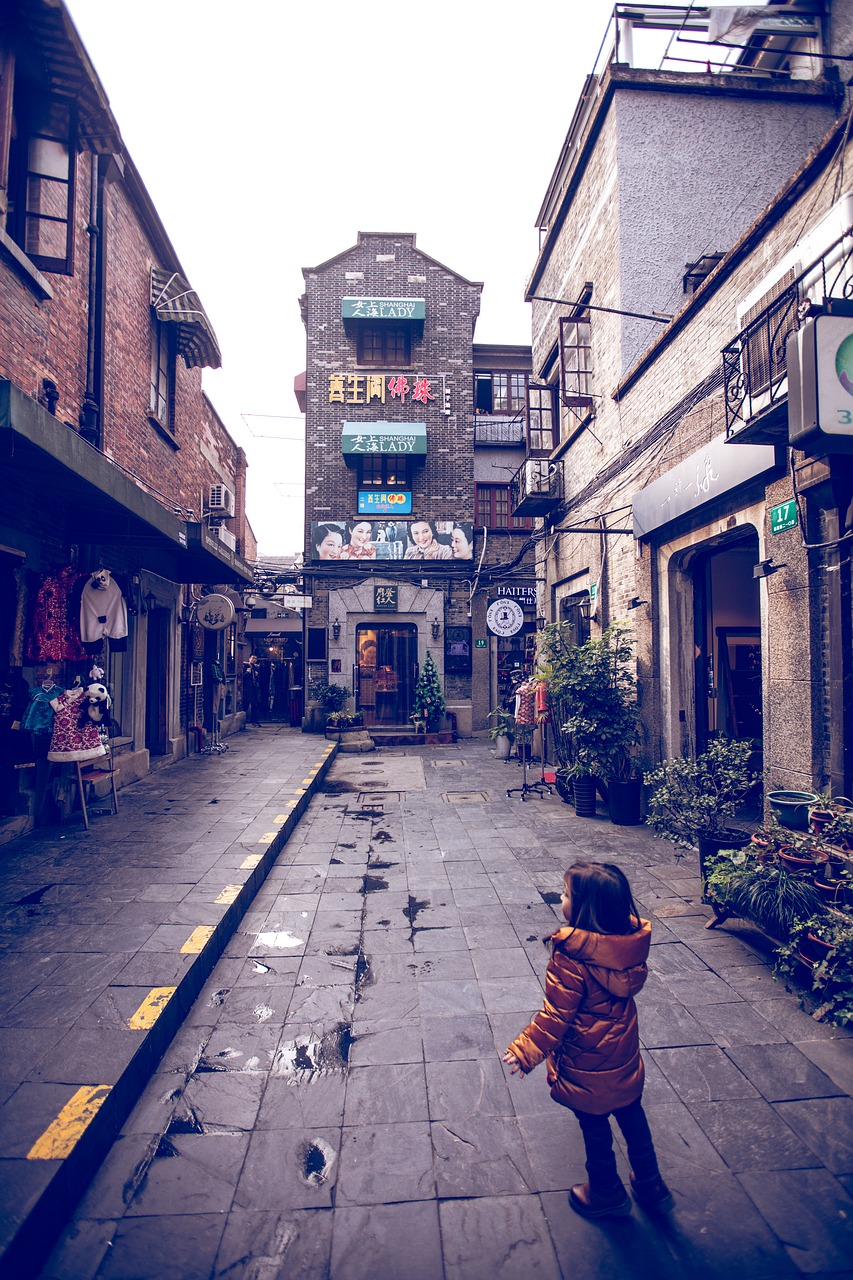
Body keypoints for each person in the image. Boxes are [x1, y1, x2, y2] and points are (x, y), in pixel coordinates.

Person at [503, 860, 672, 1220]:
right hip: (623, 1056)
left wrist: (526, 1049)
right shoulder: (629, 949)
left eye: (565, 895)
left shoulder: (572, 958)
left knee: (595, 1127)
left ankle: (606, 1192)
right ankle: (650, 1182)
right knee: (632, 1115)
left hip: (587, 1061)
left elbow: (556, 1016)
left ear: (585, 909)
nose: (561, 899)